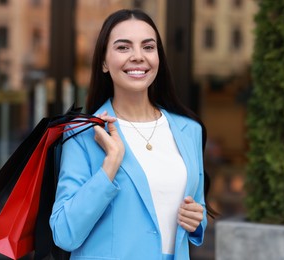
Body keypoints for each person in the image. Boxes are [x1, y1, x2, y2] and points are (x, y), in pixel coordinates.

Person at [50, 9, 215, 260]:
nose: (138, 57)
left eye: (148, 47)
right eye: (123, 48)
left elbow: (196, 208)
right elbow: (64, 233)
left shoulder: (189, 130)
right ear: (104, 62)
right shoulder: (82, 133)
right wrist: (110, 165)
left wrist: (197, 219)